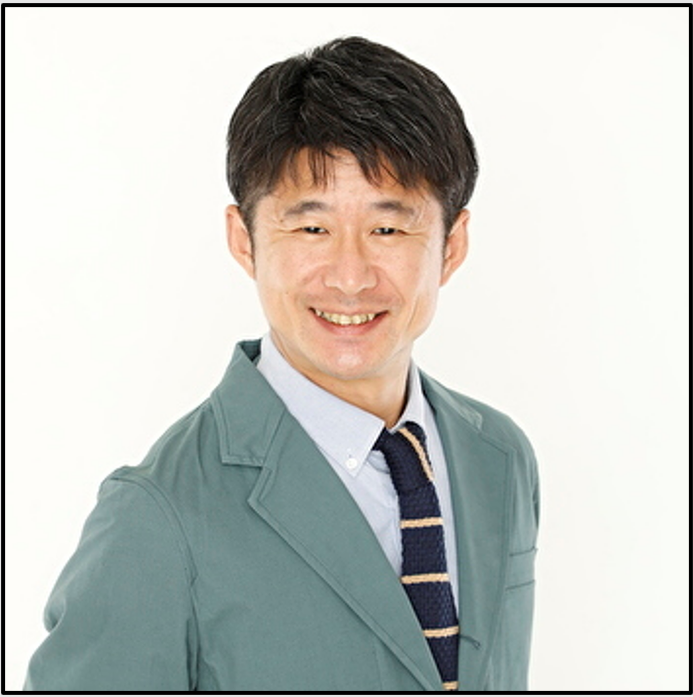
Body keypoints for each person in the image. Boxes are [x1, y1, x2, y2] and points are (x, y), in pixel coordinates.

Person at [24, 37, 539, 692]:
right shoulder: (156, 517)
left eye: (387, 228)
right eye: (310, 228)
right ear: (244, 241)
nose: (350, 277)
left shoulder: (498, 457)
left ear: (452, 244)